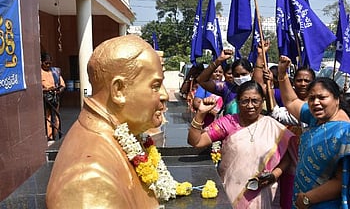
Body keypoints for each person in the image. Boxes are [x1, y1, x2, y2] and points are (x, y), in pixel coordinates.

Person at [46, 35, 170, 208]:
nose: (165, 95)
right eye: (155, 85)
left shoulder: (117, 133)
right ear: (118, 90)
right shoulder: (90, 181)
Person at [277, 55, 350, 208]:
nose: (315, 103)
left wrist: (308, 198)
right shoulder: (318, 118)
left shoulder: (345, 132)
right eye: (311, 98)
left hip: (324, 204)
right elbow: (291, 101)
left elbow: (343, 180)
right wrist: (282, 74)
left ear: (337, 99)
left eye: (322, 97)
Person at [187, 80, 298, 208]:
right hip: (230, 192)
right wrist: (201, 113)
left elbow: (287, 158)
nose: (250, 105)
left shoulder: (273, 126)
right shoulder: (228, 123)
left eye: (255, 101)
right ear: (238, 103)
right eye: (245, 101)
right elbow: (196, 142)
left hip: (260, 193)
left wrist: (274, 176)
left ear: (262, 101)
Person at [197, 48, 254, 115]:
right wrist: (218, 60)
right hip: (229, 124)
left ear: (251, 73)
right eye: (236, 75)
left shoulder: (257, 89)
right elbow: (201, 81)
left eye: (244, 74)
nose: (240, 78)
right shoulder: (227, 88)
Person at [41, 52, 65, 142]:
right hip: (45, 99)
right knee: (48, 118)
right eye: (46, 63)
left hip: (55, 98)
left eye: (49, 63)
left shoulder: (55, 72)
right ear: (41, 62)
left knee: (55, 117)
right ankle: (49, 137)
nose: (48, 65)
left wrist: (58, 90)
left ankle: (55, 135)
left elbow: (62, 85)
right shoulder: (39, 73)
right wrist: (47, 90)